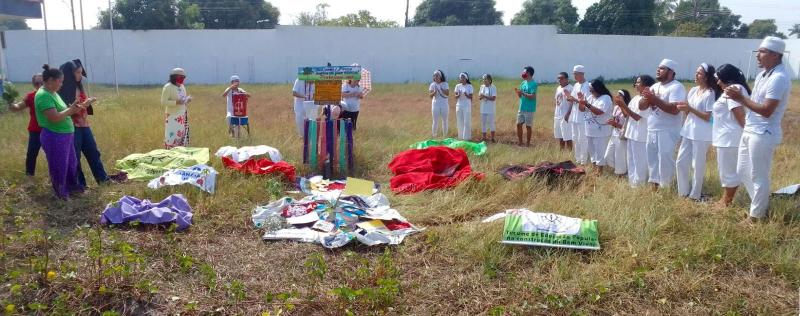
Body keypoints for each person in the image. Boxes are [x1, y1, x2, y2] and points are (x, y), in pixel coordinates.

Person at [725, 36, 792, 224]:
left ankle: (756, 217)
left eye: (762, 52)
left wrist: (740, 98)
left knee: (758, 174)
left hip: (764, 132)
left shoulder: (778, 78)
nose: (757, 56)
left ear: (775, 55)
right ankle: (762, 204)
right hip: (751, 129)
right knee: (742, 170)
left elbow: (767, 111)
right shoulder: (764, 74)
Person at [58, 59, 118, 187]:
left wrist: (86, 104)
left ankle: (103, 180)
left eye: (81, 72)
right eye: (78, 72)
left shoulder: (79, 86)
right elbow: (66, 111)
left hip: (84, 125)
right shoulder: (62, 90)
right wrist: (84, 104)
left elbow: (81, 105)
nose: (80, 75)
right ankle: (80, 185)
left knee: (93, 152)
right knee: (76, 156)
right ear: (69, 74)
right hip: (71, 127)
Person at [34, 64, 87, 199]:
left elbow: (62, 111)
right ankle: (61, 193)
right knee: (59, 165)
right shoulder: (43, 96)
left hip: (65, 135)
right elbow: (54, 117)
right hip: (54, 136)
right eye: (60, 81)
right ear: (51, 80)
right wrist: (71, 111)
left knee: (71, 163)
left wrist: (74, 108)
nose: (62, 84)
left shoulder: (53, 93)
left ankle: (73, 188)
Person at [675, 63, 720, 200]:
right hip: (688, 131)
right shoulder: (694, 90)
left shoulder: (710, 93)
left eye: (699, 73)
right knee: (681, 162)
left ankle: (695, 195)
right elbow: (688, 111)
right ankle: (683, 192)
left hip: (702, 133)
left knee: (697, 165)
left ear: (706, 77)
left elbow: (708, 117)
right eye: (696, 72)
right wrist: (685, 110)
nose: (696, 75)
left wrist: (690, 108)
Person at [640, 59, 687, 190]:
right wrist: (647, 99)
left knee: (665, 159)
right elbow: (641, 106)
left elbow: (674, 109)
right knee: (652, 159)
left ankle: (666, 188)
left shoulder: (677, 87)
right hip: (652, 129)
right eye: (658, 67)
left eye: (662, 68)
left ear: (671, 72)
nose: (658, 70)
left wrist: (653, 99)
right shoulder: (654, 87)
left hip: (668, 130)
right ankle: (654, 185)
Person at [712, 64, 748, 208]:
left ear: (726, 77)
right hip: (727, 137)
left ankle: (726, 202)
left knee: (728, 172)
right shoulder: (736, 89)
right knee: (730, 171)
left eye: (719, 78)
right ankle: (726, 199)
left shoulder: (734, 90)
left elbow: (740, 115)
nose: (717, 82)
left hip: (729, 139)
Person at [620, 75, 655, 187]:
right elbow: (627, 115)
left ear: (646, 85)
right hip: (631, 133)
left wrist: (623, 105)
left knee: (640, 162)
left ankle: (640, 185)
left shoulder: (645, 101)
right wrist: (621, 106)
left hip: (641, 135)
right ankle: (632, 183)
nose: (635, 84)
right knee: (631, 160)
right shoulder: (635, 98)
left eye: (638, 82)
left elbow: (637, 117)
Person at [8, 73, 44, 179]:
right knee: (32, 154)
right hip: (35, 131)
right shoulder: (31, 96)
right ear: (34, 84)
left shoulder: (53, 95)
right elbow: (18, 107)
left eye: (42, 82)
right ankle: (29, 177)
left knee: (54, 155)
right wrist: (11, 104)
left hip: (50, 130)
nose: (40, 85)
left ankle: (56, 178)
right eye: (37, 83)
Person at [577, 80, 613, 174]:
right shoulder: (591, 97)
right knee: (592, 150)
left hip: (601, 130)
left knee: (600, 150)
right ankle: (594, 169)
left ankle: (600, 171)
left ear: (598, 89)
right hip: (589, 129)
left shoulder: (606, 98)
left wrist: (586, 104)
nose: (591, 92)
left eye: (592, 90)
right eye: (590, 90)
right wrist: (581, 101)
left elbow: (599, 112)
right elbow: (581, 110)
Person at [161, 68, 192, 149]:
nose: (182, 78)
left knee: (181, 134)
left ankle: (180, 151)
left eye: (183, 77)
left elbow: (183, 98)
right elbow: (163, 102)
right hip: (172, 115)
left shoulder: (182, 86)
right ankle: (170, 151)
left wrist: (187, 100)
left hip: (182, 115)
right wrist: (176, 102)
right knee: (172, 135)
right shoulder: (168, 87)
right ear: (174, 77)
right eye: (180, 76)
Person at [566, 65, 590, 164]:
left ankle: (584, 160)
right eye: (574, 74)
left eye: (576, 74)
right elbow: (573, 98)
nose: (574, 76)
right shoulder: (576, 85)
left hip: (583, 116)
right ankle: (578, 159)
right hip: (575, 116)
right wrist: (569, 97)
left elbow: (585, 102)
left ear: (582, 74)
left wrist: (574, 99)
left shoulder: (587, 86)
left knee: (582, 138)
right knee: (575, 138)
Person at [605, 89, 631, 177]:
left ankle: (621, 174)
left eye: (620, 95)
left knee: (620, 157)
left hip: (622, 135)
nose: (617, 97)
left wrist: (622, 105)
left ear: (624, 97)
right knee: (608, 156)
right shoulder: (616, 107)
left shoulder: (628, 107)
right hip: (614, 133)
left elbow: (627, 121)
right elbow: (616, 119)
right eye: (617, 95)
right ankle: (623, 171)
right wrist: (613, 122)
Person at [514, 66, 537, 147]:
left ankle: (528, 143)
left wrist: (522, 93)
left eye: (525, 72)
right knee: (518, 124)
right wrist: (518, 93)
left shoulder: (533, 84)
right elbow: (520, 96)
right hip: (522, 107)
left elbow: (532, 96)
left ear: (529, 73)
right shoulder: (523, 83)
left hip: (529, 109)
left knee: (528, 126)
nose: (523, 73)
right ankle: (520, 142)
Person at [554, 72, 573, 150]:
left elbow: (572, 102)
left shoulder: (570, 88)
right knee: (560, 136)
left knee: (567, 136)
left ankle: (569, 153)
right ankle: (561, 152)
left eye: (561, 78)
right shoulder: (558, 88)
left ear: (566, 79)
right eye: (558, 78)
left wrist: (568, 114)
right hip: (558, 115)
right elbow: (557, 100)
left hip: (566, 115)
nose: (559, 80)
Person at [429, 70, 449, 138]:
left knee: (445, 121)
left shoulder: (445, 84)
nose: (436, 76)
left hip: (444, 105)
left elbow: (447, 93)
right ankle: (434, 136)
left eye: (437, 75)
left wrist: (441, 89)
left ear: (440, 76)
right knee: (435, 121)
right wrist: (434, 92)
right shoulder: (432, 85)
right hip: (435, 105)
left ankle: (445, 136)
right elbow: (430, 96)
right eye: (434, 75)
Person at [454, 72, 474, 140]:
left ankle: (467, 138)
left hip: (467, 106)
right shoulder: (457, 86)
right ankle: (460, 137)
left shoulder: (469, 86)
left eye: (463, 77)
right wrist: (458, 95)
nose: (462, 79)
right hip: (459, 105)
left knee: (466, 121)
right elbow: (456, 96)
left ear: (466, 78)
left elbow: (471, 97)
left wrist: (466, 94)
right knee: (459, 121)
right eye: (461, 77)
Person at [478, 74, 497, 143]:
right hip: (483, 108)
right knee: (483, 123)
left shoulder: (493, 87)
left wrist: (485, 96)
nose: (484, 80)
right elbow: (479, 97)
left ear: (489, 80)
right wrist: (481, 97)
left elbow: (493, 98)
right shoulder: (482, 87)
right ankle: (484, 137)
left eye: (485, 79)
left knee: (491, 123)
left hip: (490, 109)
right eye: (483, 79)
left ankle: (492, 138)